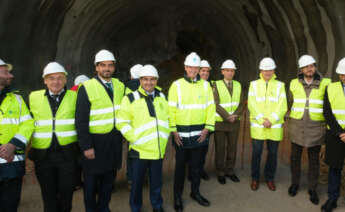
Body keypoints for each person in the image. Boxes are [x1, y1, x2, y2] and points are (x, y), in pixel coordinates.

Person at [75, 49, 125, 212]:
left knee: (109, 180)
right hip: (94, 143)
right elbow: (81, 120)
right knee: (90, 182)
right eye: (103, 65)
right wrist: (86, 146)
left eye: (110, 65)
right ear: (96, 67)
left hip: (113, 141)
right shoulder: (86, 87)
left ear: (114, 67)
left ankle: (104, 207)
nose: (107, 69)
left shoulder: (119, 85)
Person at [28, 62, 80, 212]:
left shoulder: (75, 97)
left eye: (59, 78)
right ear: (45, 80)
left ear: (65, 80)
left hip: (68, 155)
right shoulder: (33, 97)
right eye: (51, 78)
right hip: (43, 156)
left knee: (66, 193)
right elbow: (27, 123)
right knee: (48, 195)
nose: (55, 82)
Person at [117, 65, 169, 212]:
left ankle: (157, 206)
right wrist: (134, 138)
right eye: (145, 79)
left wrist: (164, 138)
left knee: (156, 183)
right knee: (137, 183)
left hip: (157, 150)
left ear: (157, 80)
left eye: (152, 79)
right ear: (140, 80)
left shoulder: (161, 96)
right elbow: (122, 122)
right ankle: (135, 207)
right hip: (139, 151)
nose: (149, 83)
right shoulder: (130, 98)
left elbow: (167, 118)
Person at [168, 52, 215, 211]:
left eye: (196, 68)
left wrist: (208, 128)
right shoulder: (177, 85)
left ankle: (195, 192)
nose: (193, 70)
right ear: (185, 67)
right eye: (190, 67)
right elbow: (171, 110)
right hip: (181, 136)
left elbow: (210, 107)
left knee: (196, 167)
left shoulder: (206, 85)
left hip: (200, 135)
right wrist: (173, 131)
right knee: (180, 169)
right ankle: (177, 197)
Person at [287, 55, 331, 205]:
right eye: (306, 66)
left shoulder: (326, 83)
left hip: (316, 127)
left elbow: (329, 106)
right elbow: (290, 102)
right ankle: (295, 184)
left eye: (312, 65)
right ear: (301, 69)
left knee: (314, 160)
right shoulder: (293, 83)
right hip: (297, 126)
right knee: (295, 158)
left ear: (315, 67)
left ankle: (312, 189)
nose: (309, 68)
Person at [248, 57, 287, 191]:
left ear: (274, 70)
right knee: (256, 153)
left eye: (270, 70)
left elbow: (283, 106)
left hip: (274, 126)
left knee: (273, 153)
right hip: (258, 126)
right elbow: (252, 105)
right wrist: (261, 120)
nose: (268, 72)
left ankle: (270, 178)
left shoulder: (280, 85)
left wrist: (271, 120)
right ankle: (255, 178)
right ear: (261, 70)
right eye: (265, 70)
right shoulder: (253, 84)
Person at [0, 58, 34, 212]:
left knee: (10, 206)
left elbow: (28, 124)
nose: (11, 76)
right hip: (9, 159)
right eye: (6, 72)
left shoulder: (18, 100)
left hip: (12, 164)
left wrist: (13, 144)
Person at [213, 59, 244, 184]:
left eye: (232, 71)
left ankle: (230, 171)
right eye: (227, 70)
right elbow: (215, 103)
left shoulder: (238, 85)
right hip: (221, 122)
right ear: (222, 71)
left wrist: (235, 115)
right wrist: (227, 116)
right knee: (220, 149)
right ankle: (220, 172)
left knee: (232, 148)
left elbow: (242, 103)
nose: (230, 73)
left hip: (234, 123)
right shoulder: (216, 84)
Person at [321, 58, 345, 212]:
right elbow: (327, 112)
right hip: (335, 135)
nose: (344, 77)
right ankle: (332, 198)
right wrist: (341, 132)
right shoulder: (331, 88)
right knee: (334, 168)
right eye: (342, 74)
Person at [124, 64, 143, 189]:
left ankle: (131, 179)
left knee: (132, 154)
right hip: (145, 125)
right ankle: (143, 177)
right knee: (145, 153)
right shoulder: (148, 86)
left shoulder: (125, 88)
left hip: (131, 126)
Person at [196, 59, 212, 181]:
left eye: (207, 71)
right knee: (193, 151)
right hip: (194, 124)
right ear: (198, 71)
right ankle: (192, 172)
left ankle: (200, 170)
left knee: (203, 150)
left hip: (206, 124)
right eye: (203, 70)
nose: (205, 73)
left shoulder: (210, 86)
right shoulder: (193, 85)